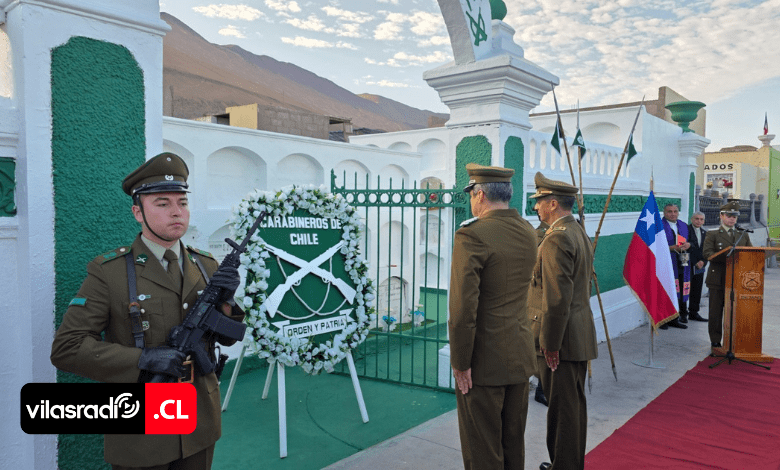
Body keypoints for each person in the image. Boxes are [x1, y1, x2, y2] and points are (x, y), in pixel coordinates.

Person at [51, 152, 245, 470]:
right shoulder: (110, 272)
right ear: (137, 212)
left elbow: (227, 338)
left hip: (199, 420)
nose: (176, 212)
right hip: (141, 431)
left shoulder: (206, 265)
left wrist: (227, 300)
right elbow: (67, 348)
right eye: (162, 203)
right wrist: (143, 360)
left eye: (182, 202)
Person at [449, 163, 538, 470]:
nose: (472, 200)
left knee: (483, 450)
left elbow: (463, 309)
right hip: (519, 353)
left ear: (481, 195)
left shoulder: (472, 235)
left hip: (484, 361)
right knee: (512, 443)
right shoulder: (528, 230)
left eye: (472, 194)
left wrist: (461, 362)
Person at [527, 172, 598, 470]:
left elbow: (556, 299)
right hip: (577, 334)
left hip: (563, 339)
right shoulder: (576, 230)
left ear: (553, 203)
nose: (536, 207)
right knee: (571, 408)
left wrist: (550, 343)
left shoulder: (556, 238)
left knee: (563, 411)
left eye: (540, 201)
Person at [702, 201, 752, 351]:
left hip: (737, 279)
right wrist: (725, 257)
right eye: (729, 216)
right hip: (718, 278)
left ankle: (733, 340)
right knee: (716, 312)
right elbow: (707, 253)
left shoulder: (742, 234)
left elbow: (750, 252)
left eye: (734, 216)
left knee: (735, 311)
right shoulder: (712, 234)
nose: (732, 219)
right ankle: (715, 341)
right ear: (721, 216)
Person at [659, 203, 689, 329]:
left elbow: (690, 241)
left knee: (678, 289)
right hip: (666, 262)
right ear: (664, 213)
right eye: (669, 211)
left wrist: (688, 245)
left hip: (681, 262)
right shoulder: (658, 226)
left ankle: (675, 318)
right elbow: (654, 246)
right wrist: (670, 248)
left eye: (675, 211)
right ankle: (663, 320)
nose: (673, 214)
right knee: (666, 290)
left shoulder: (683, 225)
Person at [533, 220, 550, 407]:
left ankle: (543, 388)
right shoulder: (540, 235)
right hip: (540, 298)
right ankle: (542, 389)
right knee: (541, 347)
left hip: (544, 298)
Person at [686, 212, 708, 322]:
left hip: (700, 266)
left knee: (697, 288)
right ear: (692, 219)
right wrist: (695, 262)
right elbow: (685, 248)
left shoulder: (705, 233)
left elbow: (707, 250)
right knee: (685, 288)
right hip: (688, 265)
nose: (699, 221)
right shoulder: (686, 230)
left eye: (701, 219)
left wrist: (703, 261)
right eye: (697, 219)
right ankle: (682, 313)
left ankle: (694, 313)